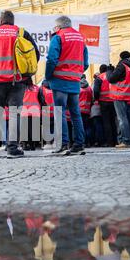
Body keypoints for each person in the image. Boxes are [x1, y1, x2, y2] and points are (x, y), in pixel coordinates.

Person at [0, 10, 40, 159]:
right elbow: (35, 55)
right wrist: (25, 75)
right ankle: (12, 148)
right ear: (12, 21)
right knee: (14, 114)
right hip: (17, 80)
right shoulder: (21, 33)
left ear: (0, 21)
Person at [45, 15, 88, 156]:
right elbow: (85, 63)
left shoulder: (58, 37)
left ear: (58, 27)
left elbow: (51, 59)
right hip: (74, 82)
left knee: (60, 113)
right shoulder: (81, 38)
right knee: (76, 114)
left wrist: (48, 75)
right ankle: (79, 144)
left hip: (59, 80)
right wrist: (76, 73)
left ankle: (63, 144)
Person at [107, 51, 130, 149]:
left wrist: (110, 70)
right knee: (124, 118)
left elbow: (111, 78)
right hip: (127, 94)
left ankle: (125, 141)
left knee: (122, 119)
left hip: (119, 94)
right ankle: (124, 140)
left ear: (120, 57)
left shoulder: (122, 65)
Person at [93, 65, 117, 147]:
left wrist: (96, 99)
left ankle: (110, 142)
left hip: (103, 102)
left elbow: (96, 91)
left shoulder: (99, 77)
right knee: (113, 121)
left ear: (100, 70)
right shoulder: (113, 75)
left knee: (106, 122)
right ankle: (116, 140)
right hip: (114, 101)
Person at [20, 78, 45, 151]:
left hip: (24, 111)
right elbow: (42, 99)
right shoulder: (37, 88)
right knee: (34, 129)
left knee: (25, 128)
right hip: (35, 111)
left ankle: (25, 145)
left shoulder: (20, 88)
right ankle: (33, 145)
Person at [40, 80, 55, 149]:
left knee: (46, 127)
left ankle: (48, 143)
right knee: (54, 126)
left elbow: (41, 100)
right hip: (54, 110)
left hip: (45, 110)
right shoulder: (54, 87)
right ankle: (54, 142)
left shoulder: (42, 88)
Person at [79, 75, 93, 147]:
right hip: (87, 110)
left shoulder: (78, 87)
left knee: (81, 127)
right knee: (88, 127)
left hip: (79, 110)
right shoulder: (89, 88)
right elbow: (92, 99)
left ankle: (83, 142)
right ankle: (89, 142)